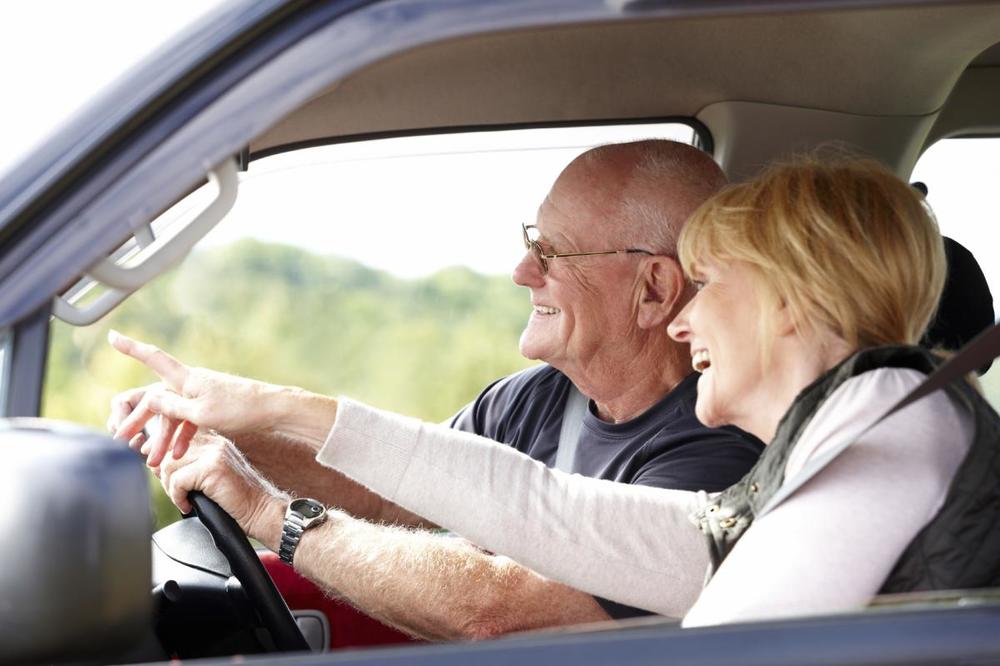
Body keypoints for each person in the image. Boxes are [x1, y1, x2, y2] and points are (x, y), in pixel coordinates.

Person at [113, 153, 1000, 627]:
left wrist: (274, 494)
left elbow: (731, 644)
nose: (686, 321)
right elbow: (542, 508)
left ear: (790, 296)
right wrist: (261, 421)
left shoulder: (887, 414)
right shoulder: (830, 445)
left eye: (711, 282)